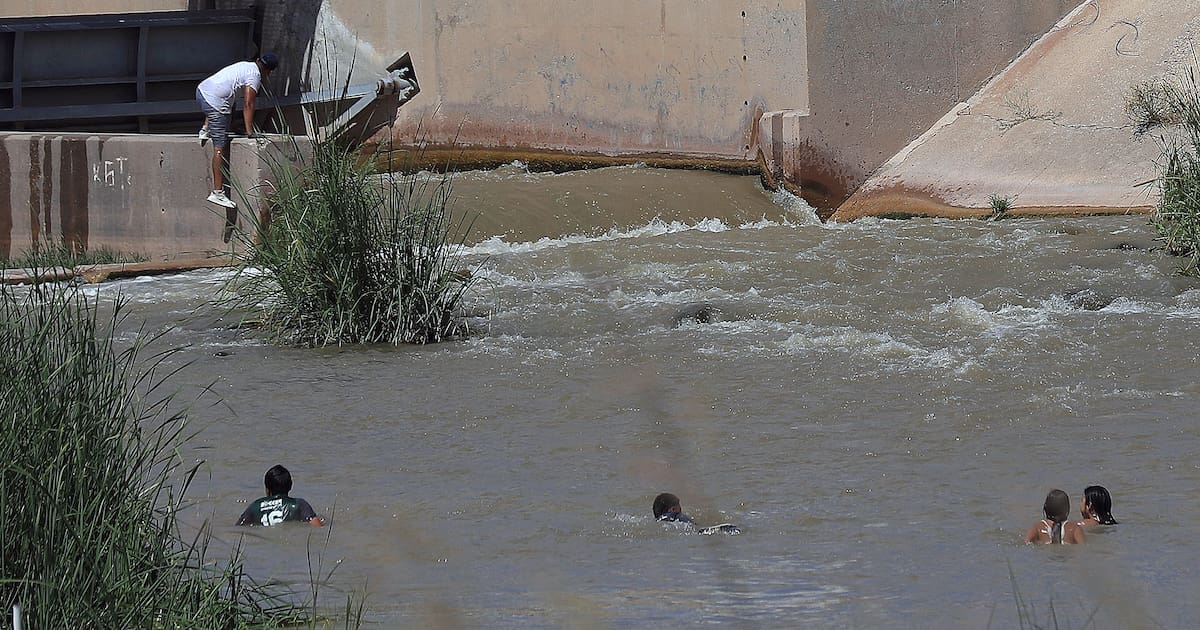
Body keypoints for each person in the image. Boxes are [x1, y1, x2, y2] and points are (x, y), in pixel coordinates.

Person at [195, 52, 279, 209]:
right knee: (220, 146)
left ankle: (205, 129)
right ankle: (217, 193)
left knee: (227, 105)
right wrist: (250, 132)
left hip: (202, 91)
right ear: (269, 71)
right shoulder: (255, 76)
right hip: (214, 102)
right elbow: (248, 104)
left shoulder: (246, 66)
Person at [236, 464, 325, 527]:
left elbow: (238, 528)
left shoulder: (255, 506)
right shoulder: (299, 504)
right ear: (290, 486)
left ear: (267, 489)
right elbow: (317, 526)